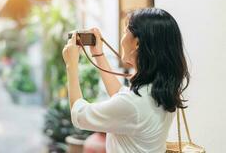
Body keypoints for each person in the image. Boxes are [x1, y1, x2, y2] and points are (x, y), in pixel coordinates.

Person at [62, 8, 190, 153]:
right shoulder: (160, 90)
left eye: (125, 32)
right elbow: (120, 95)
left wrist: (71, 65)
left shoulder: (133, 103)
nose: (122, 38)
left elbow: (79, 115)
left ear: (137, 43)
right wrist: (98, 54)